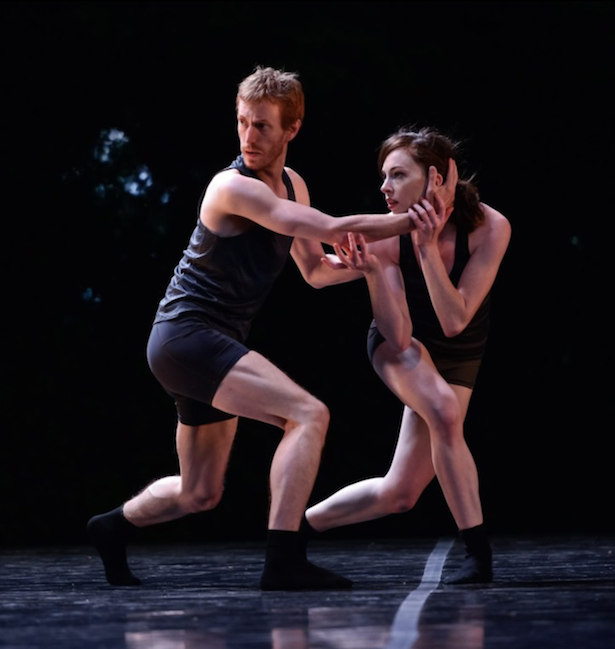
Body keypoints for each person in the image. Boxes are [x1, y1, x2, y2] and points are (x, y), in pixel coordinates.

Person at [86, 67, 429, 590]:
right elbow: (333, 229)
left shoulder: (293, 184)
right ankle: (283, 559)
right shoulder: (231, 186)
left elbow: (314, 269)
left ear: (292, 128)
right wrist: (420, 219)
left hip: (207, 345)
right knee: (308, 415)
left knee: (200, 493)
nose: (249, 137)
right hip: (187, 336)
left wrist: (360, 267)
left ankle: (111, 527)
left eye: (263, 126)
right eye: (243, 123)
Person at [296, 126, 511, 584]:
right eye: (383, 176)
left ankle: (295, 528)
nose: (384, 187)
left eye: (396, 175)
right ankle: (479, 554)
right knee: (444, 411)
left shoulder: (491, 227)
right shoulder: (386, 236)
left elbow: (456, 320)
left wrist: (428, 249)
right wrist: (374, 272)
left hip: (459, 352)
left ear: (433, 178)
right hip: (400, 346)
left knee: (400, 493)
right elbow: (398, 334)